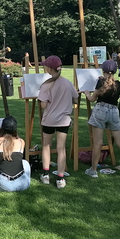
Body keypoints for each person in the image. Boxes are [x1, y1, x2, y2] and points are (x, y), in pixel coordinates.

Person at [84, 60, 120, 180]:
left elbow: (92, 99)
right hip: (114, 111)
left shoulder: (100, 82)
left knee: (98, 143)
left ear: (103, 70)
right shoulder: (118, 84)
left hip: (100, 110)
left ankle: (93, 171)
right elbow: (110, 84)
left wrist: (87, 93)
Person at [38, 55, 78, 189]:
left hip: (49, 119)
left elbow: (43, 105)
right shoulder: (67, 83)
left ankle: (46, 175)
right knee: (61, 148)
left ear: (50, 69)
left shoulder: (46, 85)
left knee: (46, 146)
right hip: (63, 120)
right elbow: (76, 99)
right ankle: (60, 178)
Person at [0, 116, 31, 192]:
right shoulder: (21, 142)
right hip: (24, 184)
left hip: (4, 185)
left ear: (1, 127)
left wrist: (1, 164)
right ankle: (26, 178)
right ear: (15, 129)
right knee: (25, 162)